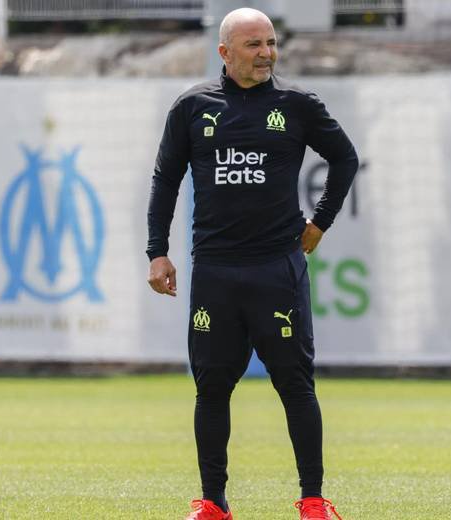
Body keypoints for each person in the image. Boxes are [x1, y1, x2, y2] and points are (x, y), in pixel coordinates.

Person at [146, 7, 357, 520]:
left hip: (276, 269)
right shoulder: (192, 107)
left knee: (295, 385)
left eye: (271, 43)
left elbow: (345, 158)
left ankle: (312, 501)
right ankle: (213, 503)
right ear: (224, 52)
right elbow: (165, 179)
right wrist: (157, 251)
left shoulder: (297, 104)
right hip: (215, 272)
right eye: (254, 45)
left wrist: (320, 222)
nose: (266, 54)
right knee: (212, 388)